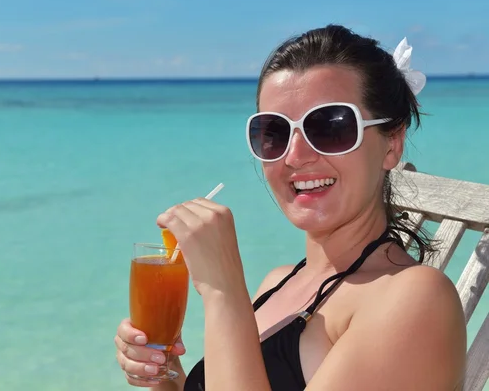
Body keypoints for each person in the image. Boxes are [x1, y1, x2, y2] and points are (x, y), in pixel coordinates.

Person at [114, 24, 467, 391]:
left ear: (392, 144)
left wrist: (223, 291)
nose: (295, 157)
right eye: (274, 132)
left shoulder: (415, 300)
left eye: (331, 127)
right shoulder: (278, 283)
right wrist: (165, 374)